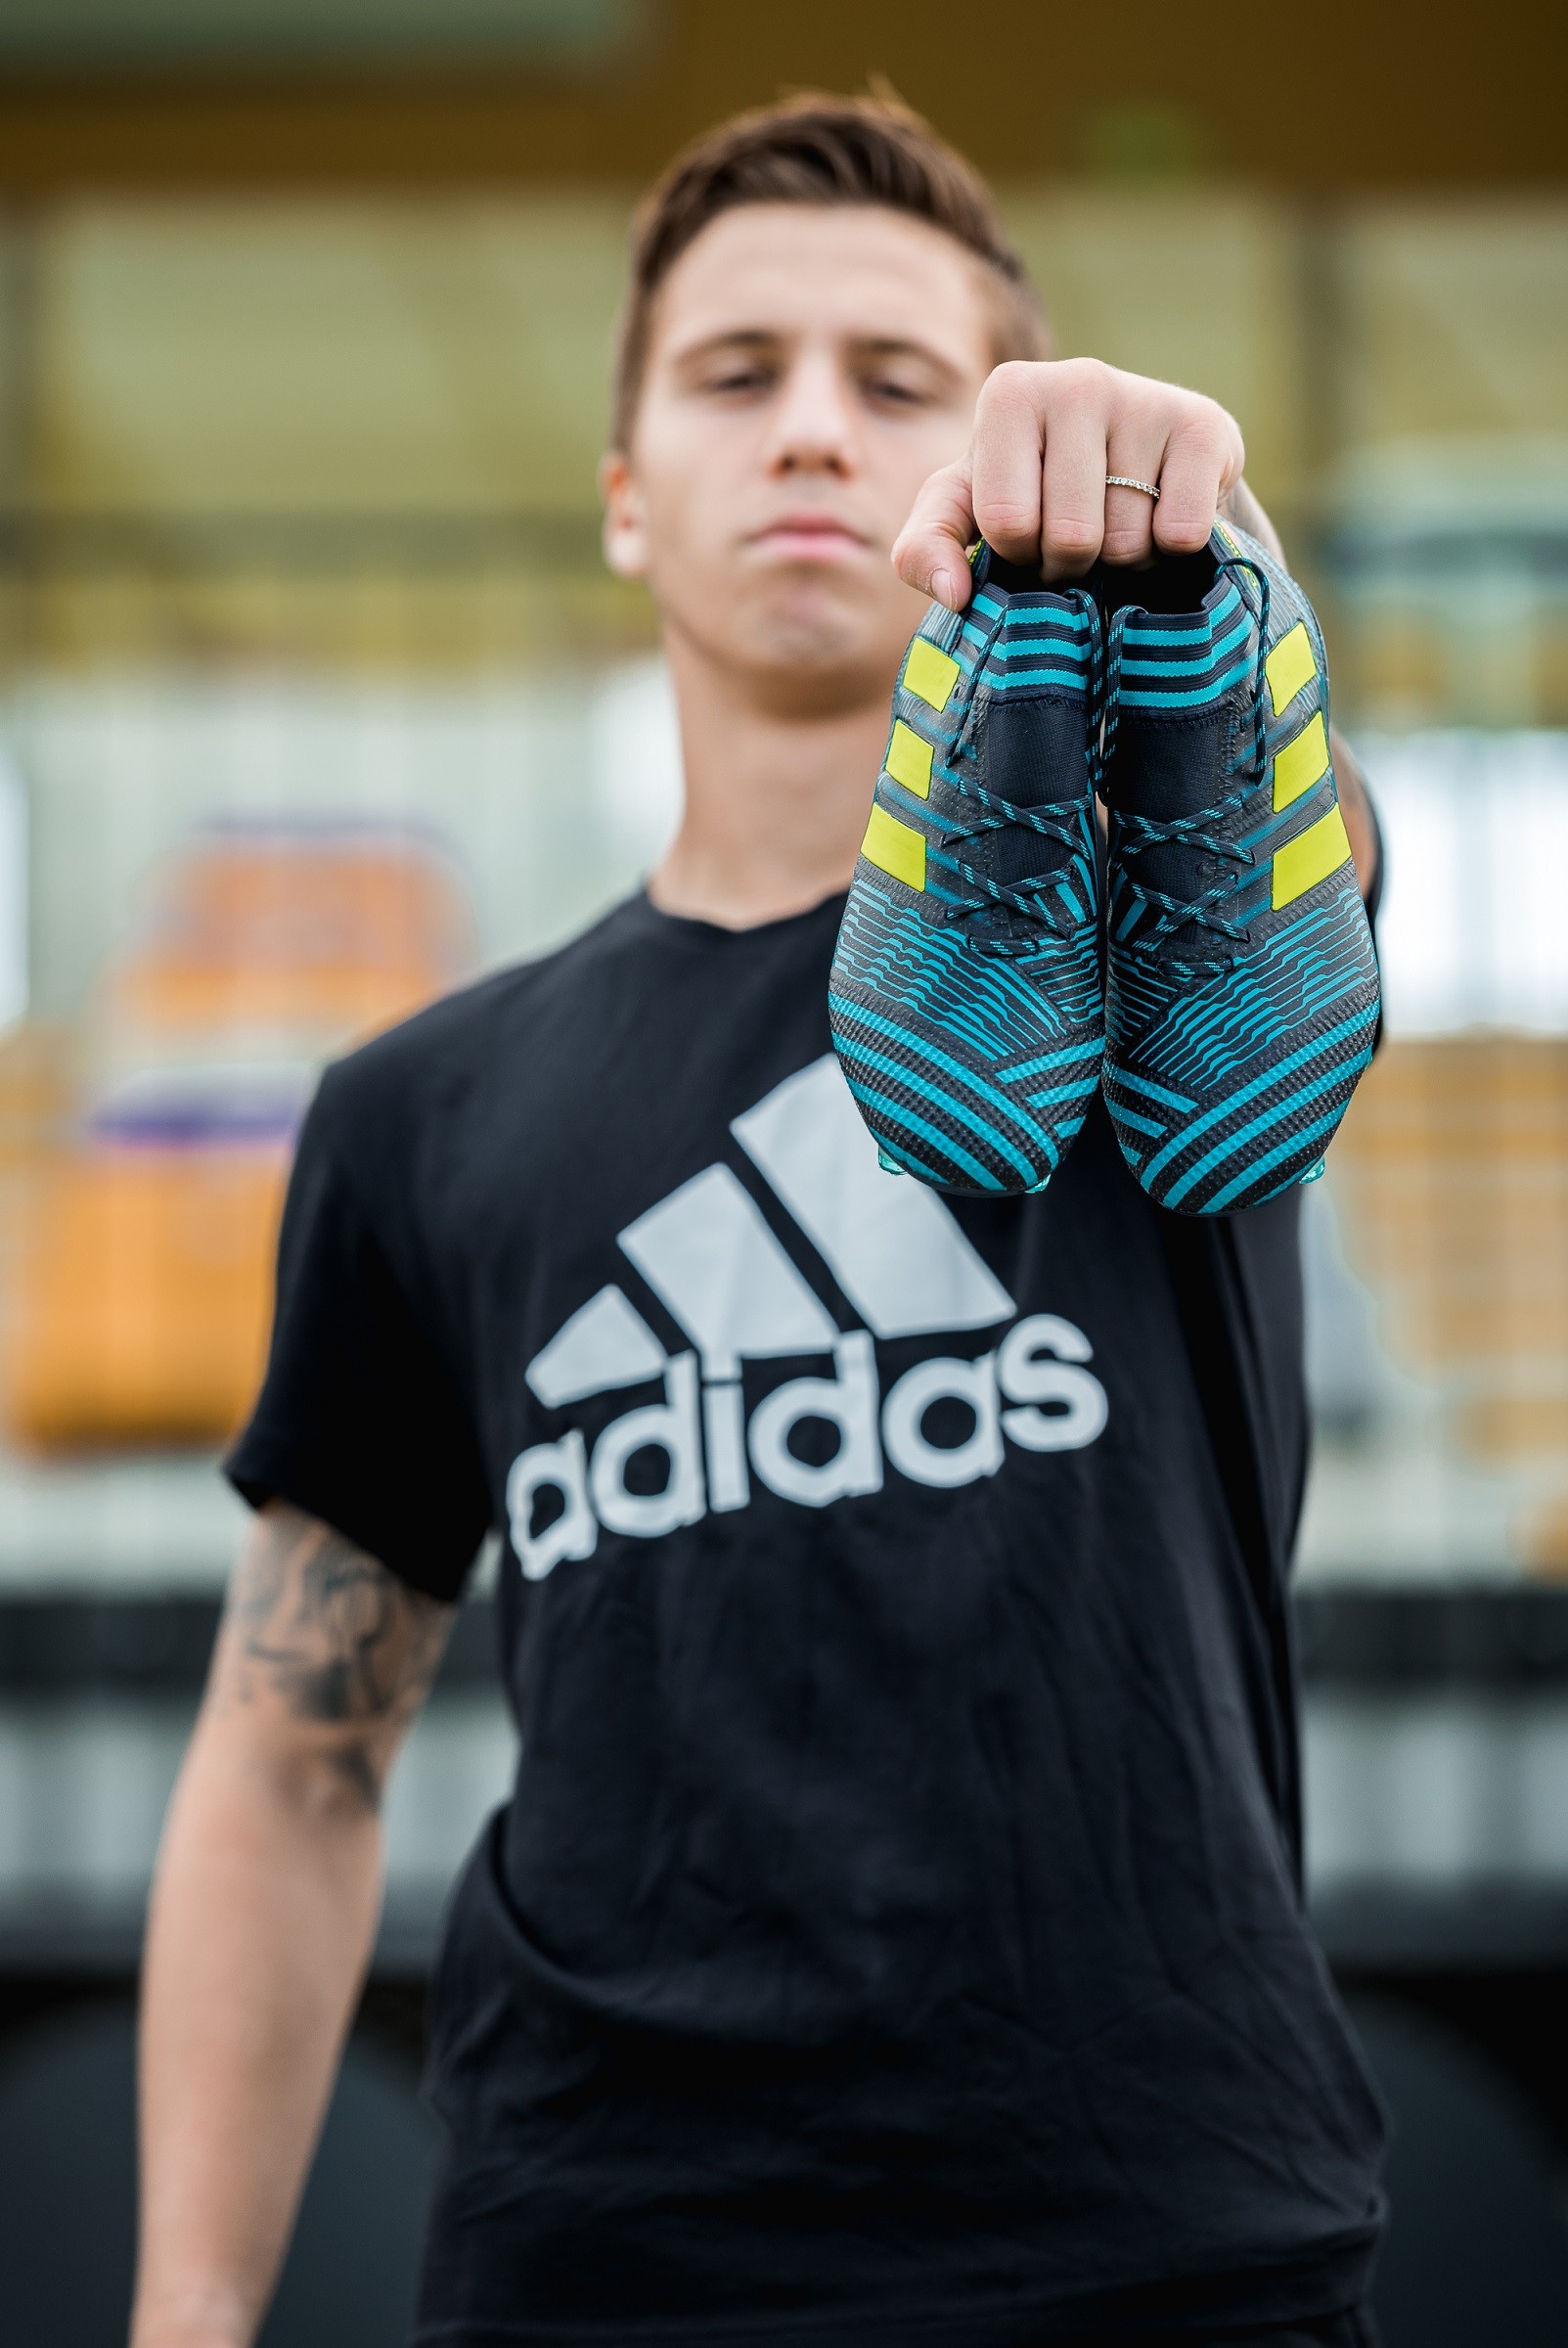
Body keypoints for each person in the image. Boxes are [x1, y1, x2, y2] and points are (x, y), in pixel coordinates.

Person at [131, 93, 1388, 2348]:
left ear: (986, 467)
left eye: (898, 380)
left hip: (1168, 2236)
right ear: (625, 494)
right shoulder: (421, 1111)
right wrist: (186, 2318)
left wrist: (1193, 565)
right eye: (737, 372)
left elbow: (1309, 883)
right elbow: (294, 1756)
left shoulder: (1163, 961)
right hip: (598, 2254)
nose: (812, 423)